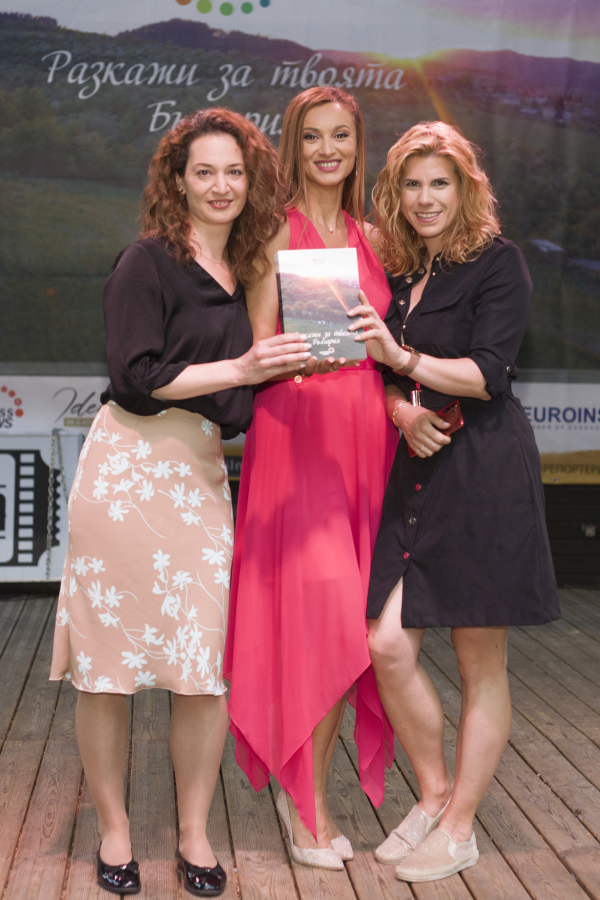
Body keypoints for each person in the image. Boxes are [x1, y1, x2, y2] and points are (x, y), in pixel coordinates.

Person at [50, 108, 313, 897]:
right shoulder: (147, 261)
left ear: (251, 180)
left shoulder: (251, 272)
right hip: (126, 473)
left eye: (234, 171)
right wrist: (244, 370)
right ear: (179, 181)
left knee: (201, 671)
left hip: (199, 477)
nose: (221, 185)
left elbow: (253, 392)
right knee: (107, 670)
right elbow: (135, 377)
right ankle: (116, 832)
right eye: (205, 171)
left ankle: (195, 833)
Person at [346, 120, 560, 883]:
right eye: (411, 184)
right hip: (418, 468)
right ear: (395, 194)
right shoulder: (404, 271)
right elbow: (387, 378)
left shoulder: (499, 262)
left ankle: (461, 826)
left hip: (484, 471)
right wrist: (402, 409)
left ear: (466, 188)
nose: (425, 197)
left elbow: (487, 373)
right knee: (386, 643)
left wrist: (401, 358)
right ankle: (435, 795)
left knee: (478, 659)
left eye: (440, 182)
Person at [224, 86, 399, 869]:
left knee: (353, 631)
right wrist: (300, 357)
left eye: (342, 136)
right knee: (321, 623)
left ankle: (312, 796)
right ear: (292, 147)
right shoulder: (272, 230)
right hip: (299, 441)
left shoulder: (375, 236)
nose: (329, 150)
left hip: (368, 446)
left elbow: (389, 349)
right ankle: (307, 809)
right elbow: (259, 345)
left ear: (359, 146)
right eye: (313, 137)